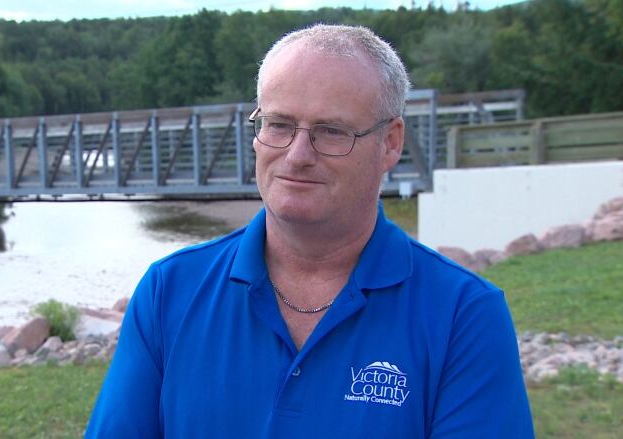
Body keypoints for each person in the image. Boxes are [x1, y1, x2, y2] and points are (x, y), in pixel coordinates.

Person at [85, 24, 533, 438]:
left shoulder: (464, 315)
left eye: (331, 131)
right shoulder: (169, 292)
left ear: (391, 142)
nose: (297, 154)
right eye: (278, 124)